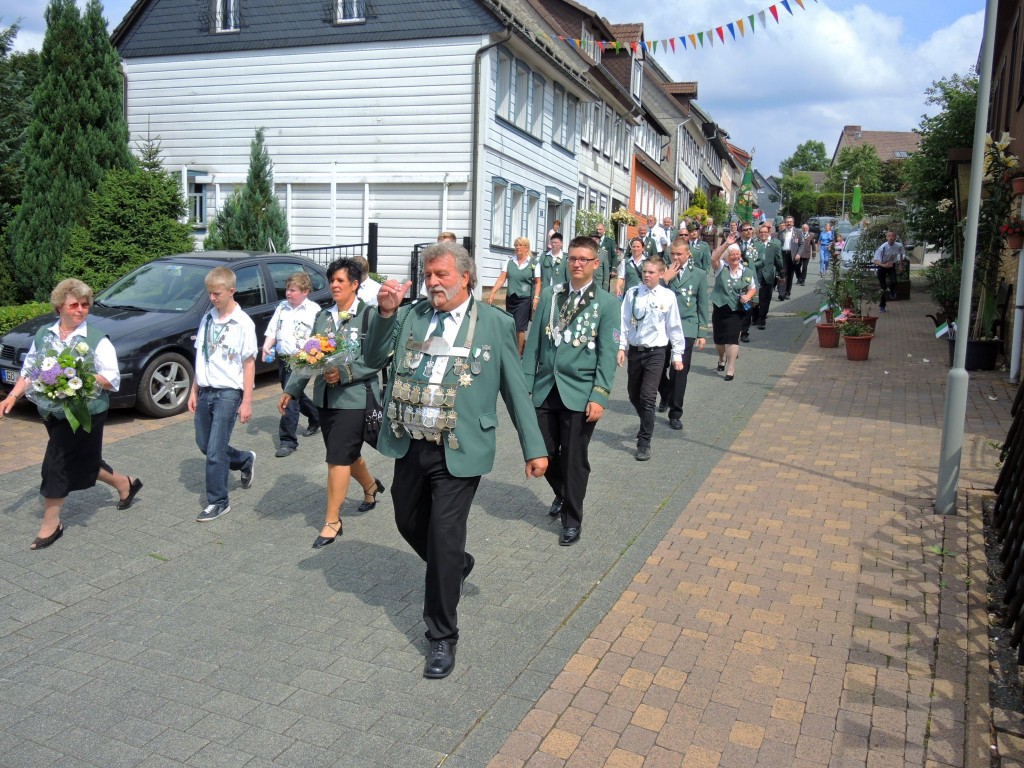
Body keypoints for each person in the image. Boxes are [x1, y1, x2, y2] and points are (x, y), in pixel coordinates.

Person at [363, 241, 548, 679]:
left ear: (465, 277)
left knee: (444, 537)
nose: (432, 284)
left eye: (441, 275)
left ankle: (441, 636)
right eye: (428, 276)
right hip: (411, 441)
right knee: (407, 522)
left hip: (461, 447)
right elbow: (371, 360)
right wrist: (385, 314)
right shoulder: (412, 316)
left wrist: (534, 446)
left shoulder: (495, 325)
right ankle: (458, 565)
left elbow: (515, 390)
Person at [0, 279, 143, 549]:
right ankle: (125, 483)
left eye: (85, 305)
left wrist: (79, 376)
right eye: (74, 305)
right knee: (83, 461)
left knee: (56, 462)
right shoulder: (44, 334)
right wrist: (11, 397)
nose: (80, 310)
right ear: (59, 308)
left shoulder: (96, 340)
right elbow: (30, 371)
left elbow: (111, 379)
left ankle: (51, 523)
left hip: (85, 413)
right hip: (52, 412)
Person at [281, 257, 385, 549]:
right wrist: (292, 389)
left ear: (355, 284)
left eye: (341, 281)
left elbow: (374, 361)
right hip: (326, 399)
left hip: (355, 398)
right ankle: (370, 486)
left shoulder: (370, 316)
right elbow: (309, 356)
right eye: (332, 281)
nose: (335, 285)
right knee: (345, 453)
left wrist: (345, 373)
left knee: (337, 457)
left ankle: (332, 521)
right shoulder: (324, 318)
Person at [522, 236, 619, 547]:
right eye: (573, 258)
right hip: (545, 388)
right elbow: (534, 343)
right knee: (544, 452)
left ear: (595, 264)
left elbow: (607, 353)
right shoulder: (551, 295)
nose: (577, 264)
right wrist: (525, 385)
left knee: (575, 458)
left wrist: (600, 395)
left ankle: (572, 520)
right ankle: (564, 493)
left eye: (583, 259)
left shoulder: (605, 303)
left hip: (580, 392)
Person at [188, 267, 258, 522]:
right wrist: (194, 390)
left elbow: (249, 364)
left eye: (217, 293)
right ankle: (243, 460)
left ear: (231, 291)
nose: (212, 298)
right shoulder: (207, 318)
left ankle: (218, 501)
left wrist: (247, 402)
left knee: (216, 452)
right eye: (209, 293)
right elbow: (201, 357)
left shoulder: (243, 324)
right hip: (206, 390)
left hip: (229, 394)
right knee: (205, 445)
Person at [618, 259, 685, 461]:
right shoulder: (633, 293)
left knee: (648, 398)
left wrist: (677, 354)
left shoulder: (668, 296)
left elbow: (674, 327)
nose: (647, 275)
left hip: (657, 352)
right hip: (636, 352)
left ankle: (644, 441)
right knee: (633, 395)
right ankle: (648, 420)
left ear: (661, 274)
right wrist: (621, 347)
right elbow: (623, 321)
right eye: (644, 272)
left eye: (651, 272)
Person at [262, 272, 321, 458]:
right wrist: (266, 347)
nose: (288, 293)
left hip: (301, 361)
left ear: (305, 291)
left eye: (293, 290)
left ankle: (288, 441)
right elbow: (273, 329)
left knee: (290, 400)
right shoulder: (282, 308)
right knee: (295, 393)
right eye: (287, 289)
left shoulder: (313, 310)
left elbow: (319, 339)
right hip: (284, 359)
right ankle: (317, 416)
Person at [658, 239, 709, 430]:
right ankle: (666, 393)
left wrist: (702, 331)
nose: (675, 257)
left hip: (686, 326)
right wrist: (665, 279)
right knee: (658, 367)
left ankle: (675, 412)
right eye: (672, 254)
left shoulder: (698, 274)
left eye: (679, 254)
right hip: (663, 327)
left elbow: (703, 304)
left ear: (688, 254)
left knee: (679, 370)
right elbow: (651, 294)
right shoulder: (663, 273)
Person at [710, 240, 757, 381]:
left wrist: (748, 296)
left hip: (737, 310)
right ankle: (721, 358)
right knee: (719, 340)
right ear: (726, 257)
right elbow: (713, 258)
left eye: (737, 254)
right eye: (732, 254)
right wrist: (726, 244)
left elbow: (753, 288)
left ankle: (730, 368)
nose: (736, 257)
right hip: (720, 308)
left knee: (732, 338)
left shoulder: (746, 271)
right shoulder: (721, 268)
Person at [488, 237, 539, 355]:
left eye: (520, 245)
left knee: (520, 327)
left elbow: (538, 282)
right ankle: (518, 345)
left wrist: (536, 298)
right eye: (516, 245)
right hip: (511, 297)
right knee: (511, 323)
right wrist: (492, 292)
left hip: (524, 298)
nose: (517, 247)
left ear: (527, 248)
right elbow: (501, 279)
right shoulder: (509, 262)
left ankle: (518, 353)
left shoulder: (534, 263)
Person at [751, 223, 784, 331]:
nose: (763, 234)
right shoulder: (754, 244)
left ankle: (762, 320)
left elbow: (778, 261)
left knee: (765, 300)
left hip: (768, 275)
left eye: (765, 232)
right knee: (755, 297)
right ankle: (755, 317)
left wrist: (781, 273)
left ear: (769, 233)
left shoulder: (773, 245)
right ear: (758, 234)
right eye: (761, 232)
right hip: (756, 274)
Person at [872, 230, 907, 312]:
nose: (891, 237)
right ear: (887, 237)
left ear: (895, 237)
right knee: (883, 288)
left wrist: (901, 265)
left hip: (891, 265)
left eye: (893, 236)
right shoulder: (882, 248)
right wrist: (884, 265)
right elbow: (874, 260)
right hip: (882, 266)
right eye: (889, 236)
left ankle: (892, 290)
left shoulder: (899, 245)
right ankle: (882, 306)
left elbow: (901, 254)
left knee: (894, 282)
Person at [777, 216, 802, 300]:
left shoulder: (798, 232)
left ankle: (787, 292)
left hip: (792, 255)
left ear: (793, 223)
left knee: (790, 275)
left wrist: (798, 254)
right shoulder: (781, 232)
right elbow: (778, 244)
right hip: (783, 254)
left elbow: (801, 244)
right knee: (782, 273)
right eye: (787, 222)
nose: (789, 223)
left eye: (790, 222)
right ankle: (781, 293)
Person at [595, 222, 617, 292]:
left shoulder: (610, 241)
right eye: (597, 229)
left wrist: (614, 269)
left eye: (600, 229)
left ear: (604, 230)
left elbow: (614, 256)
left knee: (605, 286)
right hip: (597, 269)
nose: (598, 231)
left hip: (607, 269)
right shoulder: (593, 241)